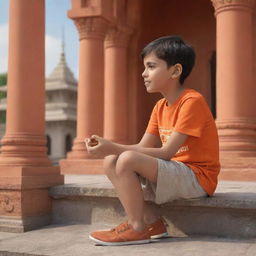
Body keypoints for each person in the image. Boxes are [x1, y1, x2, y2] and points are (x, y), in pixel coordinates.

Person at [85, 35, 220, 246]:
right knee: (111, 159)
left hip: (197, 178)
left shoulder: (192, 101)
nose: (144, 73)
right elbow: (142, 148)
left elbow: (166, 152)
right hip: (174, 172)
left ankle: (137, 228)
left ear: (175, 71)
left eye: (151, 66)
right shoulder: (159, 106)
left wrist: (113, 146)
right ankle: (151, 221)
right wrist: (109, 148)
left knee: (125, 157)